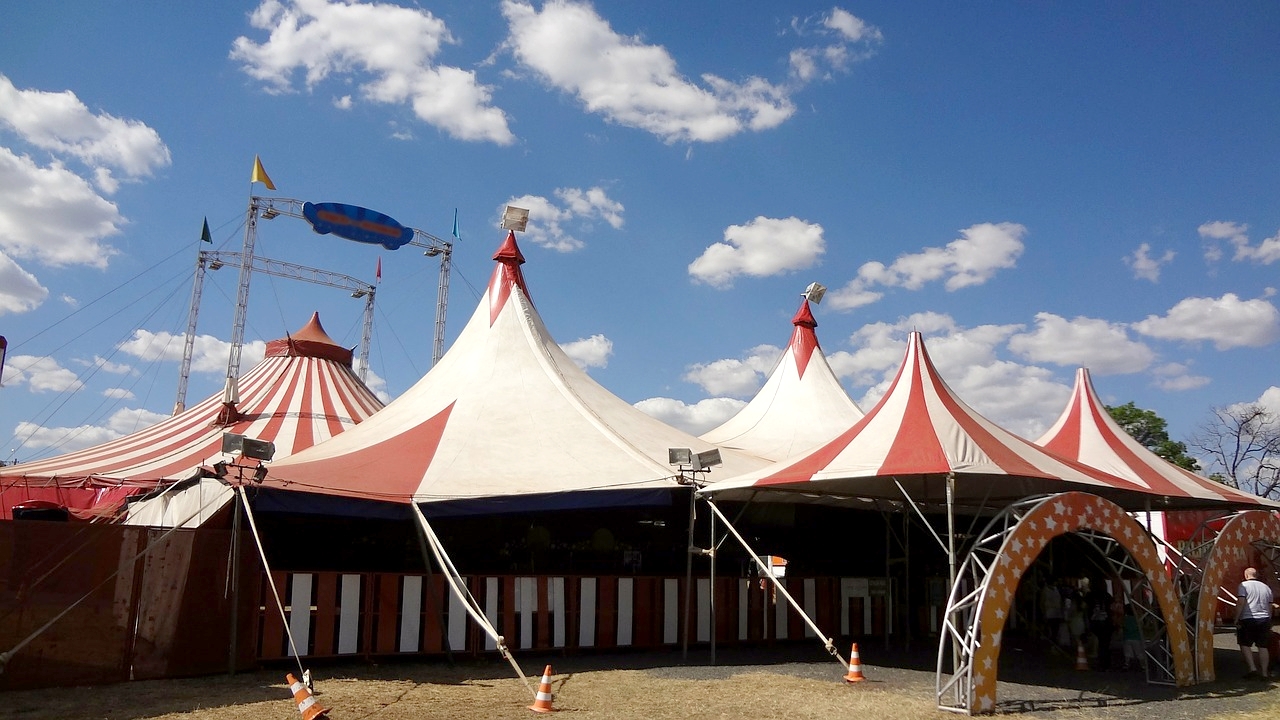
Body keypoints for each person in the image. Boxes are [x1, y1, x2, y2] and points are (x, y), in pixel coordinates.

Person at [1236, 567, 1276, 680]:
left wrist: (1236, 618)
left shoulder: (1243, 586)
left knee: (1245, 644)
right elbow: (1269, 606)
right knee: (1263, 646)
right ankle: (1264, 673)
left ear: (1246, 575)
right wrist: (1269, 618)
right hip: (1264, 619)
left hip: (1247, 618)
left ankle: (1252, 669)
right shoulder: (1266, 588)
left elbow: (1241, 602)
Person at [1086, 578, 1114, 670]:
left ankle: (1100, 663)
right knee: (1105, 644)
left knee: (1097, 644)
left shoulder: (1089, 595)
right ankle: (1106, 663)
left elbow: (1086, 608)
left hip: (1095, 622)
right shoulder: (1107, 596)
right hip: (1106, 623)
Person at [1121, 605, 1143, 671]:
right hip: (1136, 638)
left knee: (1127, 653)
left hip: (1127, 637)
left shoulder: (1125, 619)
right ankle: (1143, 665)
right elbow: (1142, 626)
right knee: (1139, 652)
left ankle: (1127, 664)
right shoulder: (1137, 619)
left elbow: (1122, 626)